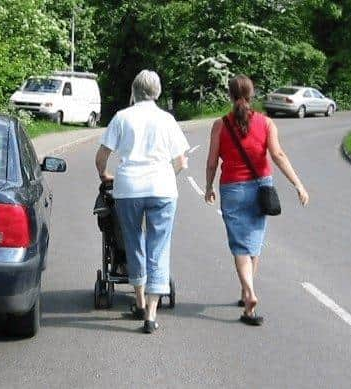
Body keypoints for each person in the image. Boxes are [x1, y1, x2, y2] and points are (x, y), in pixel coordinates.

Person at [204, 75, 309, 326]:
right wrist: (298, 184)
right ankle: (246, 294)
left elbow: (211, 161)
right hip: (261, 187)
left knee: (240, 245)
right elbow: (278, 155)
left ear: (230, 96)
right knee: (254, 240)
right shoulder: (266, 123)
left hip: (232, 189)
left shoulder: (220, 125)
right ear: (253, 95)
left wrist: (208, 187)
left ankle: (248, 293)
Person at [95, 70, 190, 334]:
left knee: (133, 241)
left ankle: (137, 301)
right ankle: (150, 314)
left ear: (134, 91)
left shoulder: (122, 118)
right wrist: (163, 176)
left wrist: (105, 175)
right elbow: (181, 161)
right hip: (162, 188)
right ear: (157, 92)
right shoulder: (167, 120)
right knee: (158, 246)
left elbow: (101, 156)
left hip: (129, 189)